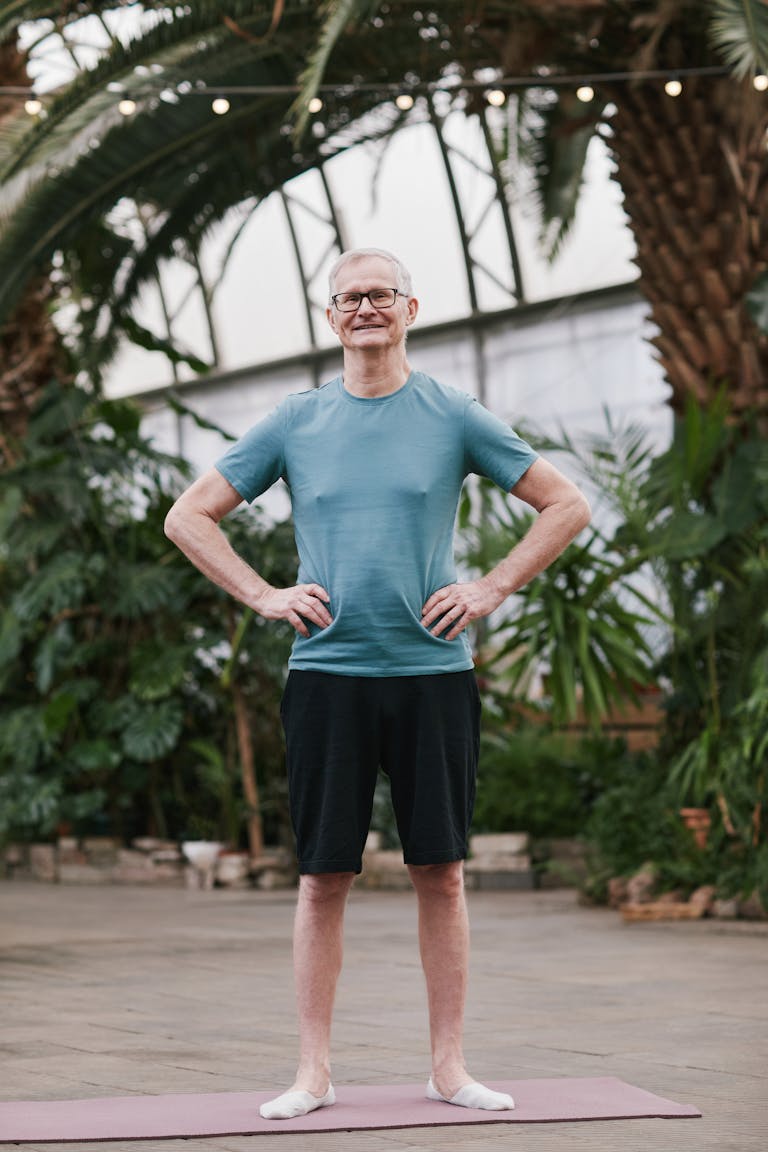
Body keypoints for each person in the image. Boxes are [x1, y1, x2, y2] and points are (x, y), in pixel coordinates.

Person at [164, 247, 591, 1120]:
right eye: (349, 297)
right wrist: (262, 593)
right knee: (324, 877)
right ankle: (313, 1075)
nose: (364, 308)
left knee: (442, 872)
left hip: (435, 674)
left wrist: (492, 586)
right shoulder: (294, 421)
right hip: (327, 675)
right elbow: (188, 515)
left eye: (380, 295)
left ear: (410, 308)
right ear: (331, 317)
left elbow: (567, 504)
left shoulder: (453, 414)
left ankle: (448, 1068)